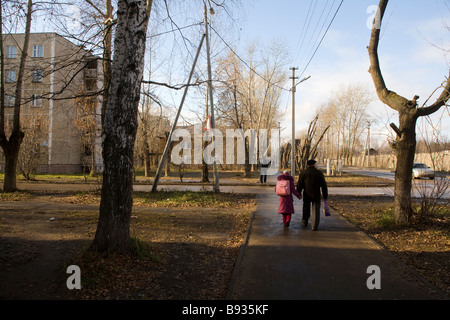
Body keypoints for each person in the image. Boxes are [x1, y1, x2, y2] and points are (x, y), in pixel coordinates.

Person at [296, 160, 328, 231]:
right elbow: (323, 185)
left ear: (307, 165)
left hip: (307, 193)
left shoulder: (303, 173)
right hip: (316, 194)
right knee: (316, 209)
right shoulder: (318, 173)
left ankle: (305, 221)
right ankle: (315, 225)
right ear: (314, 164)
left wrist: (298, 193)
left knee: (306, 208)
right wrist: (325, 195)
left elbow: (300, 184)